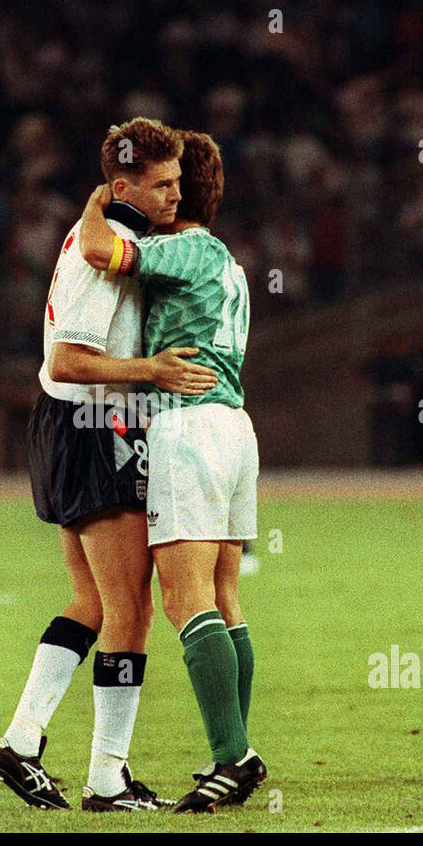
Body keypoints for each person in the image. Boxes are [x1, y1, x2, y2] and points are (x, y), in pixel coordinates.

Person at [0, 118, 215, 812]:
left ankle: (23, 741)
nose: (177, 194)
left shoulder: (106, 232)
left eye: (179, 181)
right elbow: (67, 356)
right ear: (124, 188)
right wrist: (149, 368)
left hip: (75, 424)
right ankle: (105, 778)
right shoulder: (105, 247)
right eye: (164, 184)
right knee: (131, 608)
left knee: (92, 601)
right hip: (93, 425)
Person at [79, 129, 266, 811]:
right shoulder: (229, 262)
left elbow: (98, 249)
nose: (167, 191)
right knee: (223, 597)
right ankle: (231, 749)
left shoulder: (181, 247)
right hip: (235, 426)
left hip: (188, 425)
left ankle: (234, 756)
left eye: (170, 183)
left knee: (184, 600)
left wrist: (104, 192)